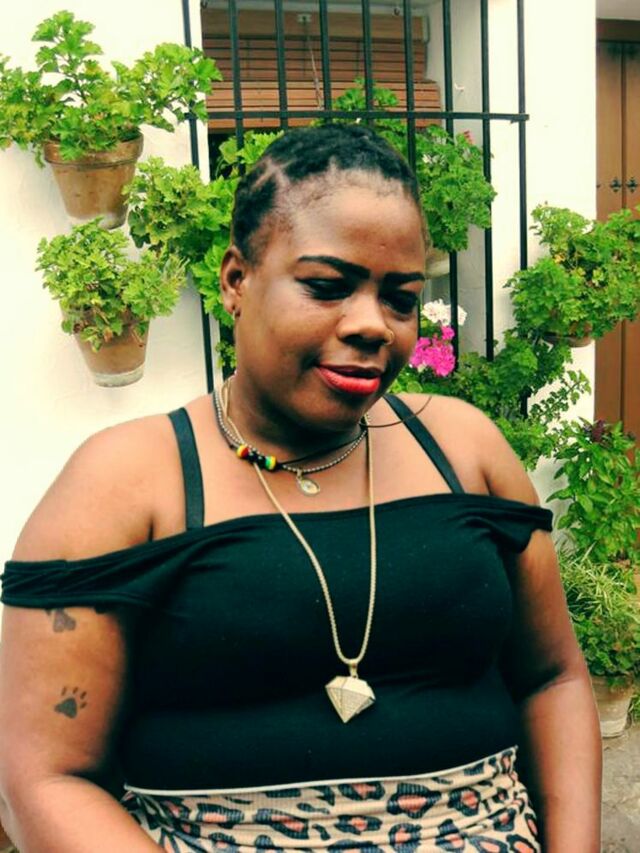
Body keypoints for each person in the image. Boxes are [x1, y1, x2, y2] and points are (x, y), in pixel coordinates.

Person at [0, 124, 601, 852]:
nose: (373, 325)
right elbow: (46, 776)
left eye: (401, 298)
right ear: (236, 280)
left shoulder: (464, 449)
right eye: (326, 286)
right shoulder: (123, 482)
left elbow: (553, 678)